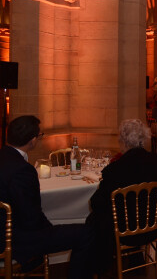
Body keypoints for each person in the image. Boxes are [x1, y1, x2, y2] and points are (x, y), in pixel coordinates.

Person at [0, 116, 94, 278]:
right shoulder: (22, 170)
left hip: (8, 231)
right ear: (32, 140)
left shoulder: (5, 157)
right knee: (86, 233)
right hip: (13, 241)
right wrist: (51, 231)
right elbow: (30, 217)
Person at [86, 119, 157, 275]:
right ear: (143, 139)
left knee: (95, 219)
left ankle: (100, 267)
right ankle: (136, 257)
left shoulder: (114, 169)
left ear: (123, 141)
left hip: (126, 232)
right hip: (153, 226)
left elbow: (96, 203)